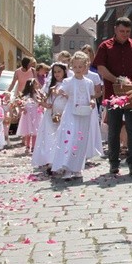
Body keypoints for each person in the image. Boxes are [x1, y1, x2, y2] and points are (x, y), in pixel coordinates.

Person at [92, 17, 132, 176]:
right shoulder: (106, 46)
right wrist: (116, 79)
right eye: (121, 31)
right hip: (113, 95)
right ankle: (114, 163)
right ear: (115, 30)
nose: (125, 34)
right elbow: (101, 68)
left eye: (127, 31)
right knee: (114, 130)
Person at [50, 52, 103, 181]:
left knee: (80, 140)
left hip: (83, 115)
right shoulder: (68, 81)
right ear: (71, 67)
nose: (78, 70)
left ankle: (77, 167)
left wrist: (91, 103)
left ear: (86, 67)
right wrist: (57, 92)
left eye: (81, 67)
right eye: (75, 67)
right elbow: (61, 91)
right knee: (70, 137)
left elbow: (90, 97)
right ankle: (67, 167)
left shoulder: (89, 82)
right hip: (70, 114)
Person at [32, 63, 68, 172]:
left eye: (59, 71)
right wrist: (45, 105)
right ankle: (51, 161)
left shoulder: (67, 83)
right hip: (50, 115)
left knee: (61, 137)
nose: (57, 74)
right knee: (50, 137)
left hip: (64, 114)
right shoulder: (49, 85)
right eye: (55, 72)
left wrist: (64, 94)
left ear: (64, 72)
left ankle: (62, 161)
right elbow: (40, 98)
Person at [15, 78, 43, 153]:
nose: (37, 85)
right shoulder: (26, 95)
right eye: (35, 84)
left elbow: (40, 101)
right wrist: (22, 108)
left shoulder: (37, 93)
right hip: (28, 113)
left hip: (36, 113)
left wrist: (40, 101)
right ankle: (27, 146)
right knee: (27, 130)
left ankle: (33, 146)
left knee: (35, 130)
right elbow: (20, 102)